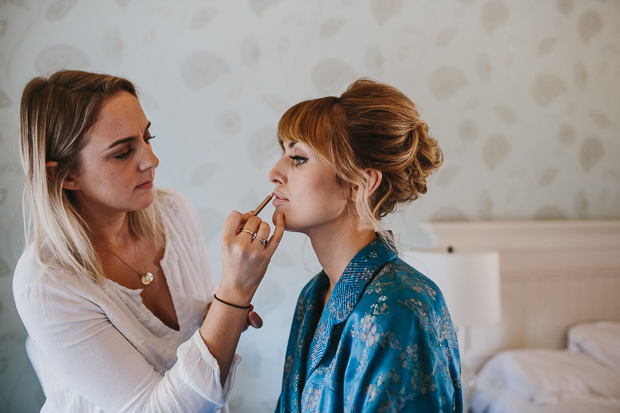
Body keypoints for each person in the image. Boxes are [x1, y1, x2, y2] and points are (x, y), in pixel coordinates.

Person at [13, 69, 284, 412]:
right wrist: (235, 291)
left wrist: (223, 318)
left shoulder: (173, 212)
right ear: (66, 176)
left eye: (147, 137)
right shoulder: (45, 283)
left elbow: (199, 331)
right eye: (123, 152)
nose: (152, 160)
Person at [269, 78, 462, 412]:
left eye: (298, 158)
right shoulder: (312, 297)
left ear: (360, 183)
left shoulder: (400, 308)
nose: (274, 172)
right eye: (283, 154)